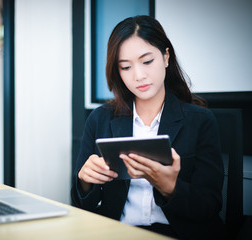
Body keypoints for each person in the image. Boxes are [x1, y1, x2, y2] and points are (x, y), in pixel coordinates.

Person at [71, 16, 225, 240]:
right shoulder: (100, 119)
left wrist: (170, 187)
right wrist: (85, 181)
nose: (138, 76)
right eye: (125, 66)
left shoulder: (200, 121)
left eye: (147, 61)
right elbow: (80, 204)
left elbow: (209, 206)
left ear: (165, 57)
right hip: (117, 233)